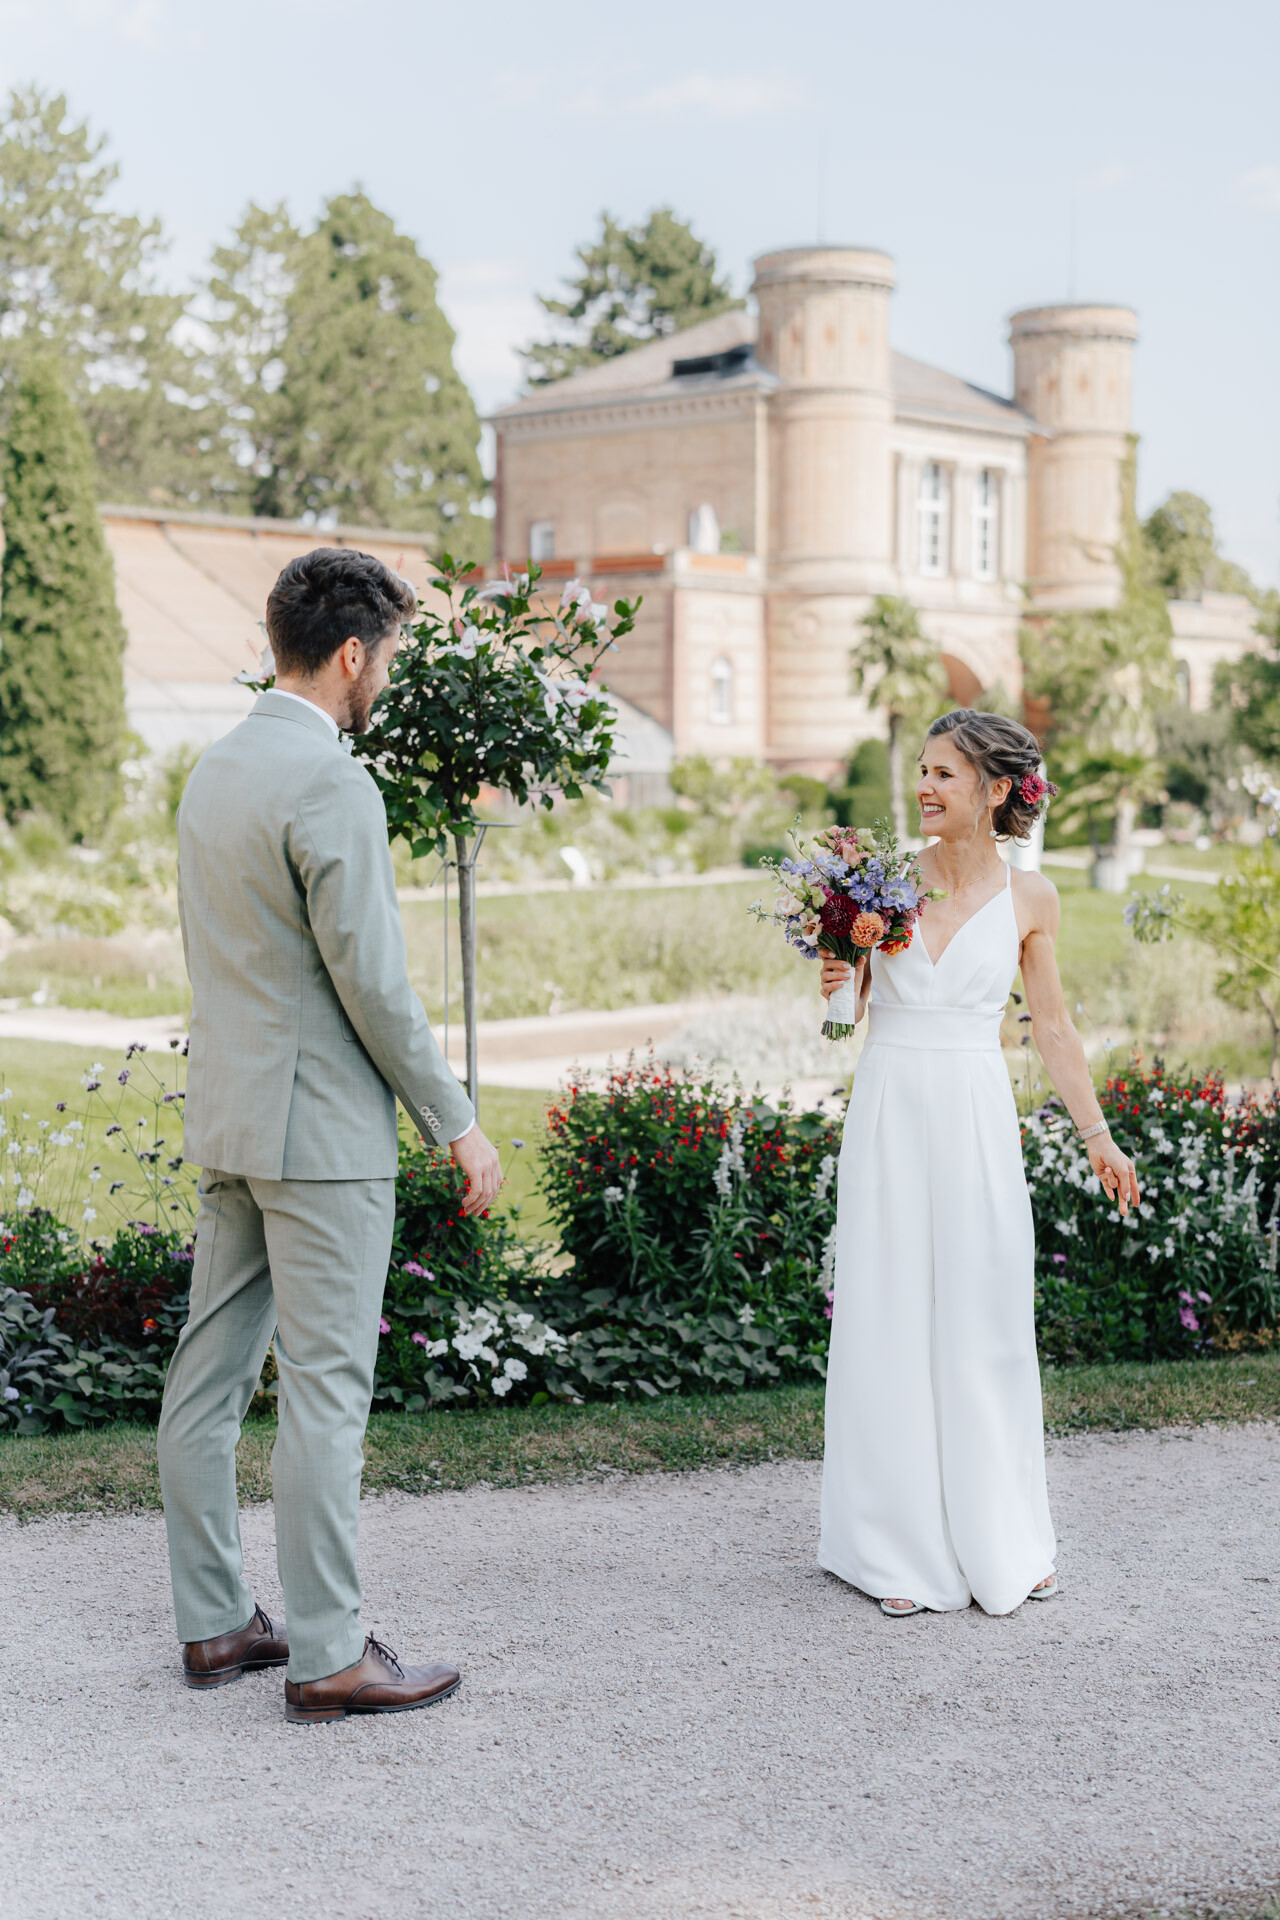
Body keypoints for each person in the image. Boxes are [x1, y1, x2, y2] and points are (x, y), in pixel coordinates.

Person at [158, 546, 502, 1722]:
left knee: (208, 1377)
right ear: (353, 652)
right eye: (387, 658)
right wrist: (456, 1122)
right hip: (323, 1136)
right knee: (322, 1392)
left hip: (235, 1120)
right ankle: (327, 1654)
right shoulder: (331, 783)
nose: (386, 680)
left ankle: (213, 1624)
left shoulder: (213, 772)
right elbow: (375, 986)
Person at [817, 709, 1139, 1618]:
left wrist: (1097, 1136)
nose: (925, 786)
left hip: (974, 1116)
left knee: (984, 1314)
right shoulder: (874, 884)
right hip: (889, 1110)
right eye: (922, 771)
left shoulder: (1033, 900)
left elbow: (1055, 1030)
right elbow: (846, 1021)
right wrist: (838, 981)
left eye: (945, 775)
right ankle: (896, 1547)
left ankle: (1004, 1533)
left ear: (996, 792)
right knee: (891, 1314)